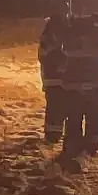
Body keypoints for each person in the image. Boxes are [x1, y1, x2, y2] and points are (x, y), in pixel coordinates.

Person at [60, 8, 98, 160]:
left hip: (72, 85)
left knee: (73, 117)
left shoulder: (67, 35)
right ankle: (92, 145)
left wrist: (70, 20)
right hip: (93, 85)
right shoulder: (95, 36)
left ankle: (73, 144)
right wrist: (94, 17)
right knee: (93, 116)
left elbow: (54, 27)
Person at [38, 12, 68, 144]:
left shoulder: (51, 35)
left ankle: (55, 133)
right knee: (55, 107)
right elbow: (46, 54)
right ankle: (52, 134)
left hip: (56, 78)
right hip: (54, 77)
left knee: (58, 107)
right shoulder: (50, 37)